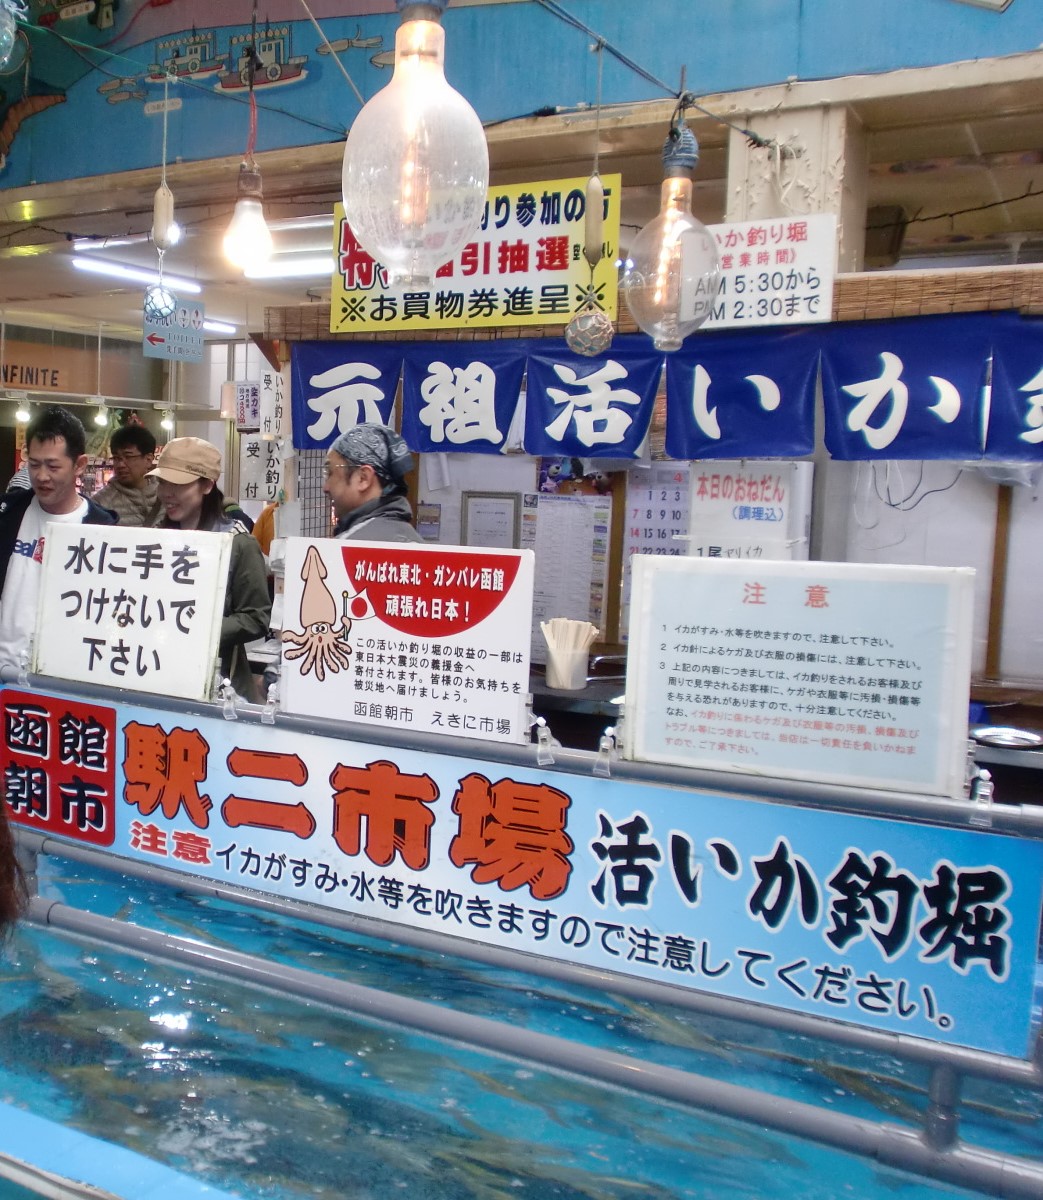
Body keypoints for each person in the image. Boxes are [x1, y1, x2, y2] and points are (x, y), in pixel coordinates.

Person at [149, 437, 271, 702]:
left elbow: (256, 618)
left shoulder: (238, 543)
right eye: (162, 482)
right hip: (161, 673)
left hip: (221, 684)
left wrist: (198, 628)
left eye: (178, 484)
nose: (167, 492)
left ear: (207, 485)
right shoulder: (156, 539)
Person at [0, 406, 117, 677]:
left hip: (62, 678)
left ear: (80, 465)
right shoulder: (8, 513)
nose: (42, 476)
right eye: (34, 464)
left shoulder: (101, 530)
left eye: (53, 466)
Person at [324, 423, 422, 543]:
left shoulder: (345, 547)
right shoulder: (416, 543)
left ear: (363, 478)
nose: (326, 487)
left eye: (330, 473)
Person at [92, 423, 162, 527]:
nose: (120, 464)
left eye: (128, 457)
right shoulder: (101, 503)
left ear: (148, 459)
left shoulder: (165, 495)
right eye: (116, 458)